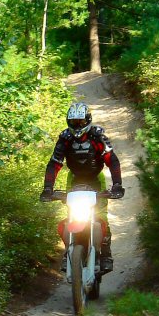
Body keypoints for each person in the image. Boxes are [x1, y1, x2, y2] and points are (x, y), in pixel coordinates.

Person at [40, 102, 125, 273]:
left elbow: (111, 160)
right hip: (74, 179)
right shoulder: (65, 139)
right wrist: (48, 188)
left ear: (88, 120)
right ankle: (69, 251)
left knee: (101, 216)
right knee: (71, 215)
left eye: (80, 122)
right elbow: (54, 163)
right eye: (73, 122)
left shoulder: (97, 137)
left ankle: (106, 254)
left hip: (96, 179)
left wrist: (117, 185)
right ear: (68, 122)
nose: (77, 126)